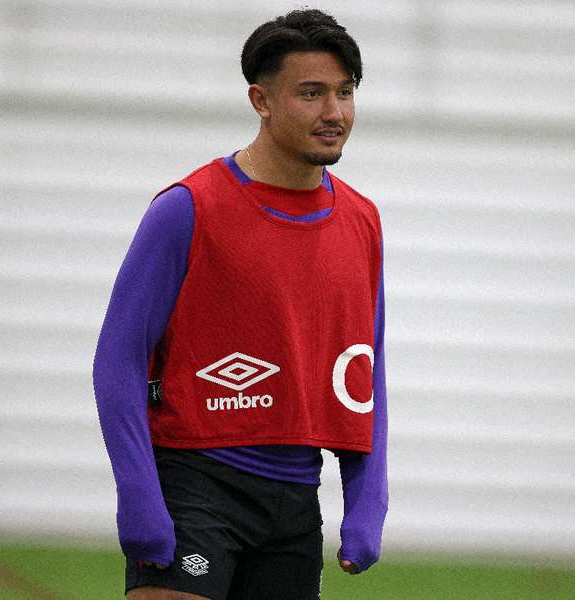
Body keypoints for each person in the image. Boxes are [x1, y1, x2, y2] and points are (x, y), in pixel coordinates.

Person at [92, 9, 388, 600]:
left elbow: (364, 369)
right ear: (262, 100)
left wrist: (367, 498)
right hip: (194, 485)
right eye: (311, 93)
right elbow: (117, 360)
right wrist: (140, 499)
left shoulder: (362, 221)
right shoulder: (187, 208)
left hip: (296, 500)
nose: (334, 113)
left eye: (345, 92)